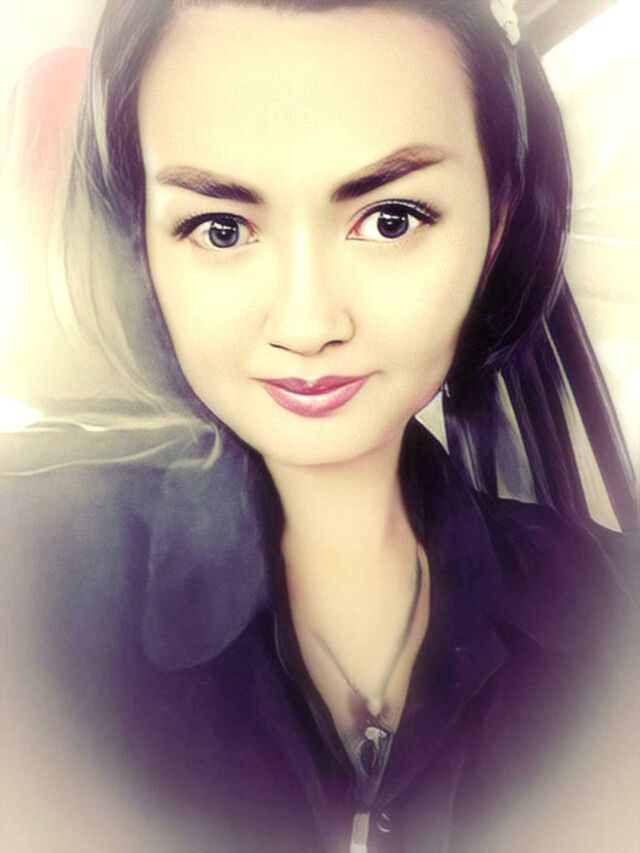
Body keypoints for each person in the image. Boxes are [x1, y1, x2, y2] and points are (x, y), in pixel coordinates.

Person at [1, 1, 637, 851]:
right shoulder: (24, 572)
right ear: (144, 245)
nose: (306, 324)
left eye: (390, 219)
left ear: (498, 221)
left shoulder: (615, 611)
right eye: (221, 228)